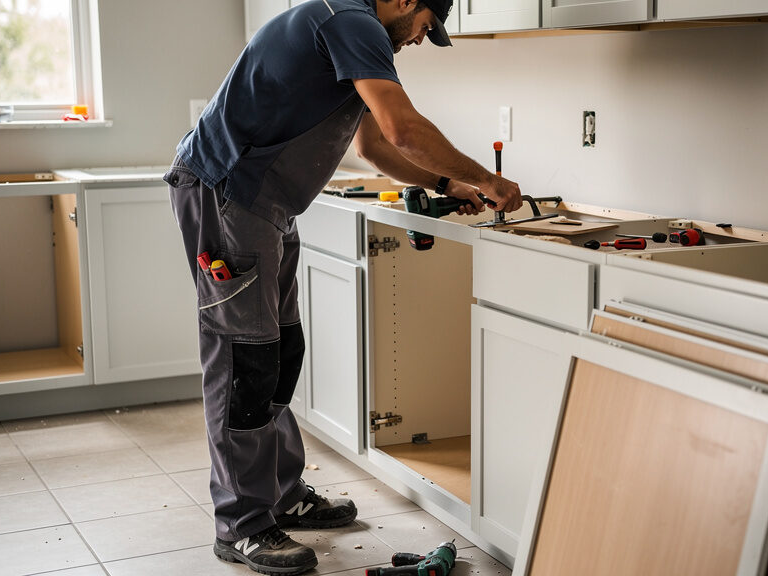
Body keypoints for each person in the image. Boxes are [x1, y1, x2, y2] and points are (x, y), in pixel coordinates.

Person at [165, 0, 522, 574]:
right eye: (426, 27)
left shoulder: (349, 31)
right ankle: (243, 523)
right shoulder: (349, 21)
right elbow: (402, 128)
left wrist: (449, 182)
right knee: (245, 363)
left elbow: (375, 148)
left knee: (280, 353)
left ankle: (282, 493)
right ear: (406, 1)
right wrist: (488, 178)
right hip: (227, 194)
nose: (416, 41)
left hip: (268, 206)